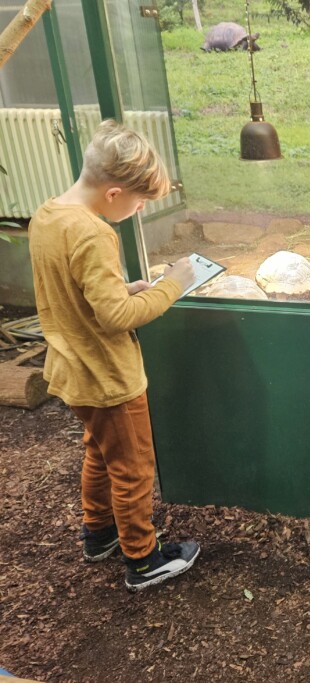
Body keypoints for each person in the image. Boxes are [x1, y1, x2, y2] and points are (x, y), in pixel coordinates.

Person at [29, 119, 201, 593]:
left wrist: (123, 288)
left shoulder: (48, 214)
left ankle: (98, 534)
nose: (141, 209)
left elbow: (77, 292)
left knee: (100, 455)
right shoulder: (94, 232)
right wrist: (173, 284)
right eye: (140, 202)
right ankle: (143, 560)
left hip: (71, 369)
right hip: (108, 377)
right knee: (132, 469)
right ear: (113, 193)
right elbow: (117, 317)